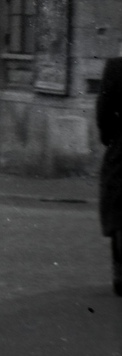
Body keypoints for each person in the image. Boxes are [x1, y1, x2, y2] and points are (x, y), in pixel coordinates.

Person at [98, 52, 122, 295]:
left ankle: (120, 270)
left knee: (117, 205)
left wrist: (112, 139)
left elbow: (103, 112)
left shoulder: (116, 67)